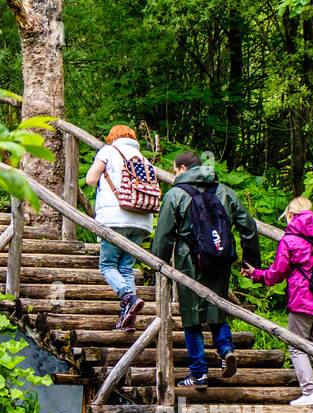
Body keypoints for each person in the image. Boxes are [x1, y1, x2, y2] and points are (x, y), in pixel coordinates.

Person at [151, 151, 260, 389]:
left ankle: (199, 374)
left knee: (191, 317)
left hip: (189, 261)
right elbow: (248, 227)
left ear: (181, 169)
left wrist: (156, 268)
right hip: (220, 259)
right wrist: (251, 262)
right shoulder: (225, 192)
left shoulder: (176, 194)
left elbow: (163, 236)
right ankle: (226, 350)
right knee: (216, 307)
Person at [242, 196, 313, 407]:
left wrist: (256, 274)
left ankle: (310, 391)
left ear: (290, 214)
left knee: (297, 346)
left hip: (303, 300)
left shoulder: (289, 240)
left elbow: (276, 274)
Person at [85, 125, 152, 330]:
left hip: (116, 219)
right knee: (125, 267)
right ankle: (127, 317)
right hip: (141, 220)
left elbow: (90, 179)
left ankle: (128, 297)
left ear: (111, 138)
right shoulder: (142, 158)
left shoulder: (108, 151)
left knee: (107, 266)